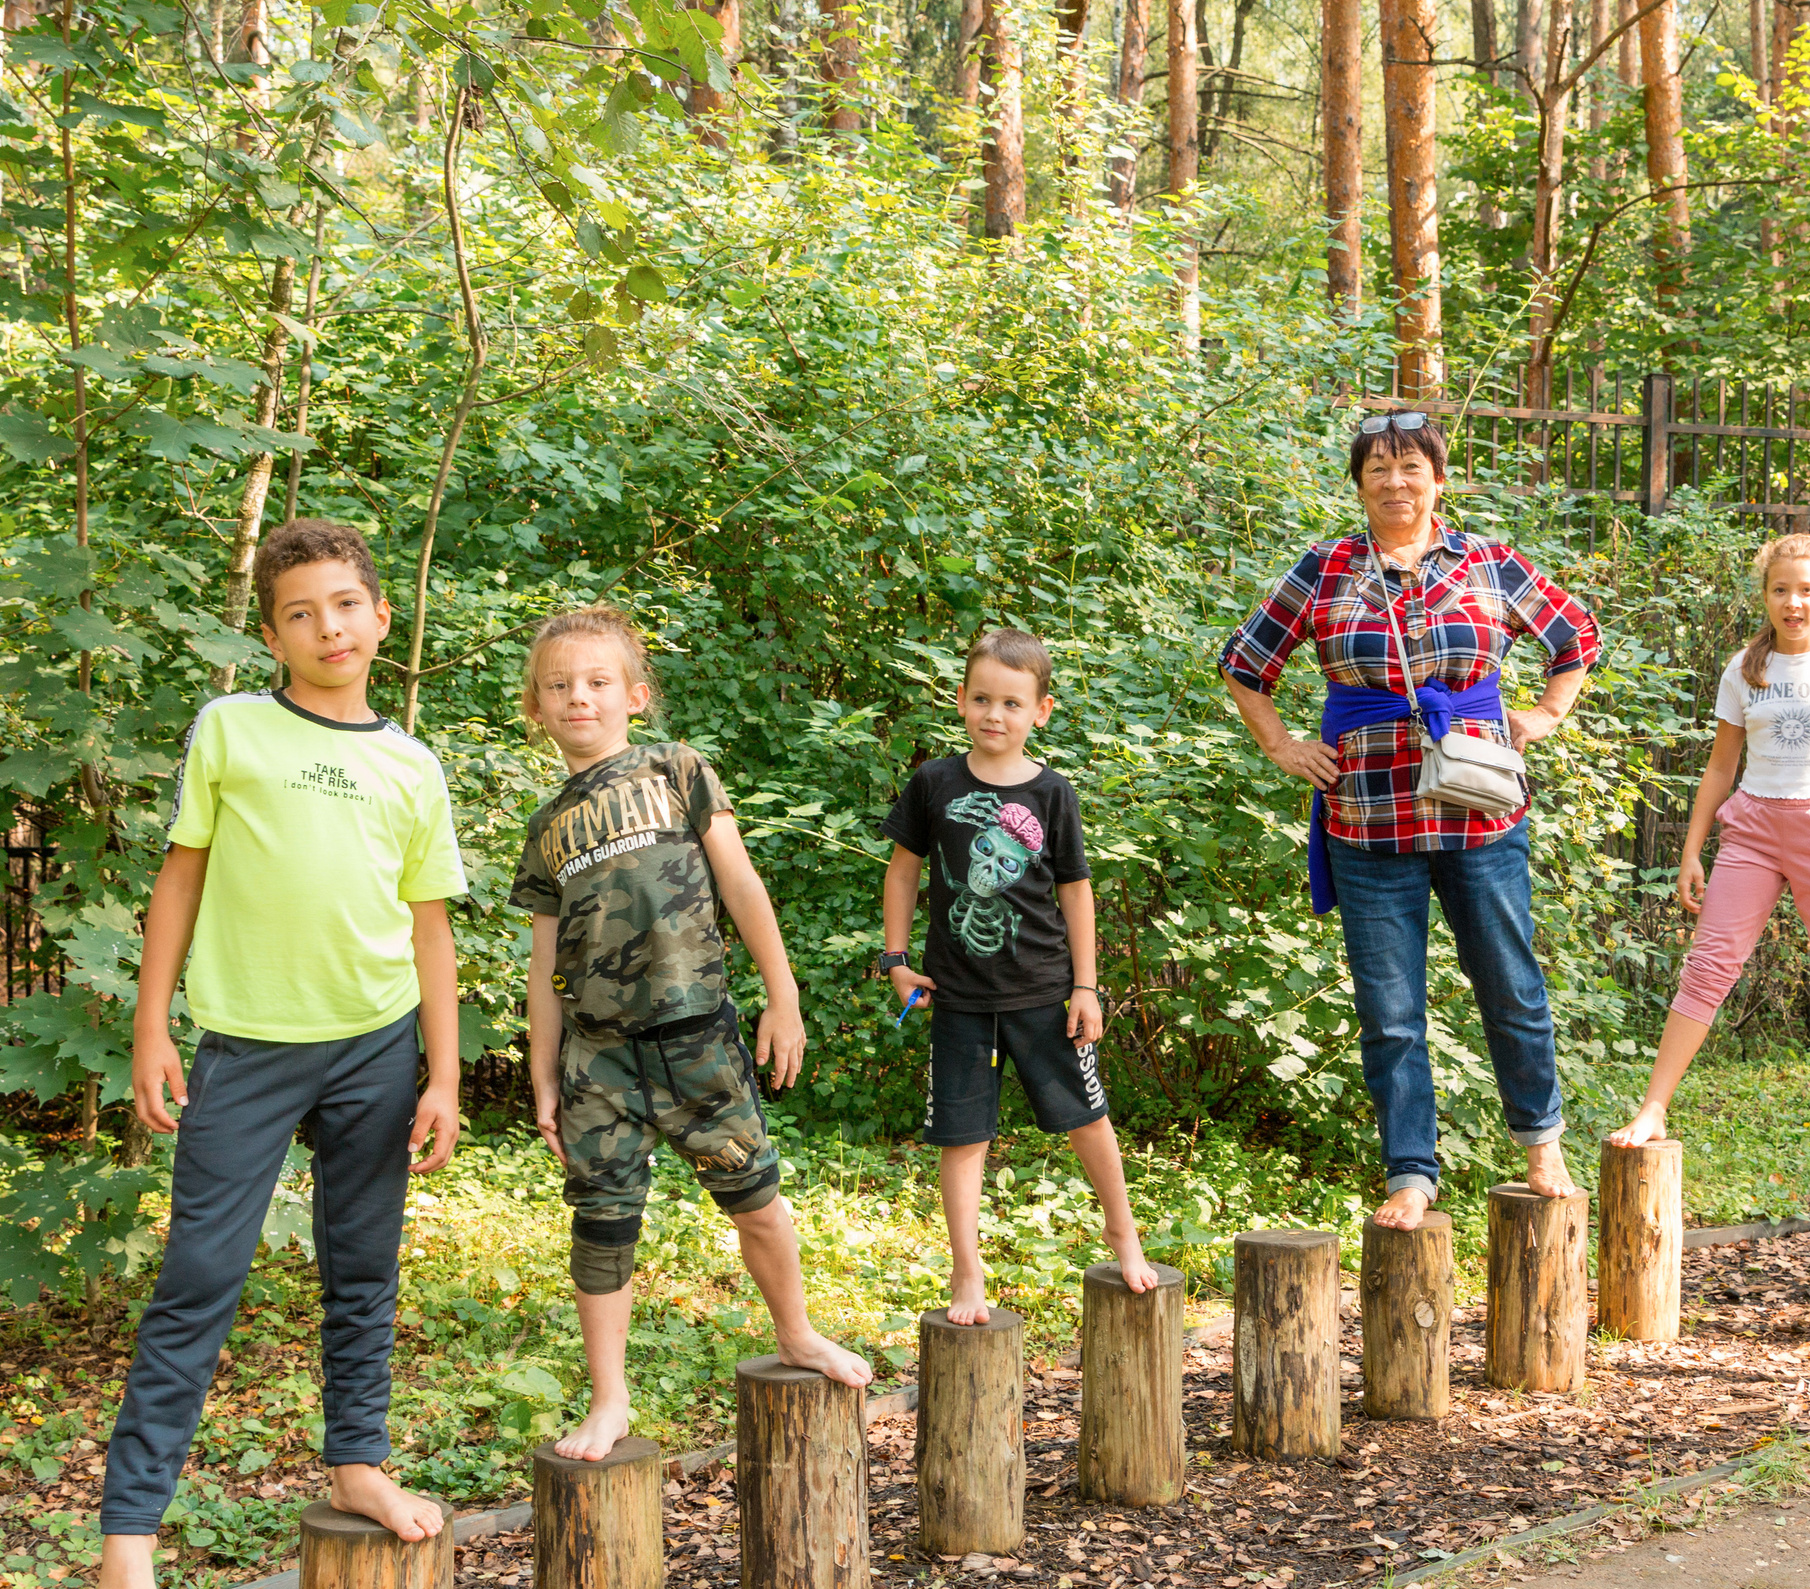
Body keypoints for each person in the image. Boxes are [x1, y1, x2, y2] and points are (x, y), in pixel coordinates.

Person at [99, 519, 467, 1589]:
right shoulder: (233, 730)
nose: (328, 628)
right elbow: (180, 879)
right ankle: (129, 1541)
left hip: (376, 1049)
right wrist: (149, 1027)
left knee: (362, 1272)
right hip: (247, 1049)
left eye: (345, 606)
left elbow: (430, 929)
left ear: (379, 617)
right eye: (301, 613)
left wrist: (442, 1076)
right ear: (272, 634)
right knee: (198, 1281)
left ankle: (358, 1462)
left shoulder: (412, 763)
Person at [1221, 412, 1599, 1231]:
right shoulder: (1324, 570)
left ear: (1439, 477)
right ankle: (1411, 1173)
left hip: (1480, 816)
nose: (1397, 481)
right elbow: (1244, 663)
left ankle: (1541, 1142)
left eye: (1411, 466)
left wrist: (1546, 712)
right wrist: (1282, 744)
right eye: (1380, 467)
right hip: (1366, 819)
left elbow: (1576, 637)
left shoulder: (1488, 562)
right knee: (1390, 1011)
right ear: (1359, 482)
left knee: (1512, 984)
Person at [514, 606, 870, 1462]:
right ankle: (609, 1399)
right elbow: (542, 966)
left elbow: (741, 884)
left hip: (696, 1034)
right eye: (559, 686)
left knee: (756, 1197)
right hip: (597, 1055)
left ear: (634, 695)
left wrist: (782, 995)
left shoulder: (676, 769)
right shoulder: (546, 827)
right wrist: (543, 1075)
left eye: (597, 682)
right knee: (601, 1222)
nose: (579, 698)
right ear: (535, 706)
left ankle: (796, 1330)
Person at [880, 628, 1161, 1324]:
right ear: (960, 699)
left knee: (1087, 1117)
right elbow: (904, 870)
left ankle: (1123, 1232)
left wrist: (1087, 987)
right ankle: (967, 1271)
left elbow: (1075, 892)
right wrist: (894, 960)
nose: (993, 714)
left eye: (1011, 702)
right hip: (956, 996)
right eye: (981, 698)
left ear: (1041, 710)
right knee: (962, 1135)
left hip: (1045, 992)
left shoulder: (1052, 793)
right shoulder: (934, 784)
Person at [1606, 532, 1810, 1153]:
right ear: (1764, 596)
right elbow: (1719, 768)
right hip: (1753, 833)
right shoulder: (1745, 668)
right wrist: (1691, 850)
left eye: (1807, 591)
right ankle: (1653, 1109)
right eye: (1781, 590)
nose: (1794, 602)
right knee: (1707, 968)